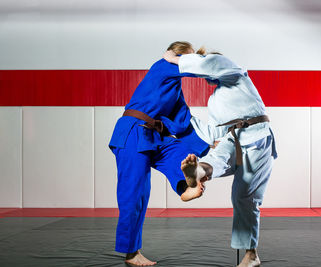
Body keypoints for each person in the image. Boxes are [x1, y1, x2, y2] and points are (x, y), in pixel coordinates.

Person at [164, 48, 277, 267]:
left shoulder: (236, 74)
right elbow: (213, 133)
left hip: (256, 136)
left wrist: (176, 59)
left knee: (244, 195)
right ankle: (198, 171)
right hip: (231, 138)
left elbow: (212, 62)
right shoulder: (216, 99)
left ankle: (251, 254)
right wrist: (185, 119)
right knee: (217, 157)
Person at [109, 41, 210, 266]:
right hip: (132, 132)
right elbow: (184, 63)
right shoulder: (161, 67)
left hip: (152, 136)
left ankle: (186, 187)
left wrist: (208, 144)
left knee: (180, 151)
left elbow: (183, 122)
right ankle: (131, 254)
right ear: (177, 55)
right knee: (135, 194)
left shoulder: (175, 90)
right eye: (187, 58)